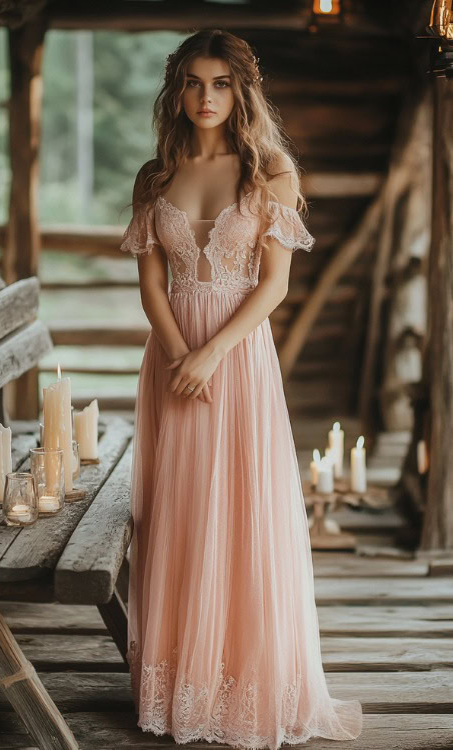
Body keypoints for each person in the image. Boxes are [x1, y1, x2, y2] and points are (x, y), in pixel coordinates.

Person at [119, 28, 363, 750]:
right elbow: (151, 284)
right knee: (182, 511)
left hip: (238, 359)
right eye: (193, 82)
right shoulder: (153, 178)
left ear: (242, 91)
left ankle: (248, 683)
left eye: (221, 83)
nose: (205, 97)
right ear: (176, 90)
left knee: (242, 511)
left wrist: (212, 354)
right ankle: (180, 681)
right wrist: (176, 357)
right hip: (171, 362)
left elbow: (276, 284)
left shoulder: (271, 171)